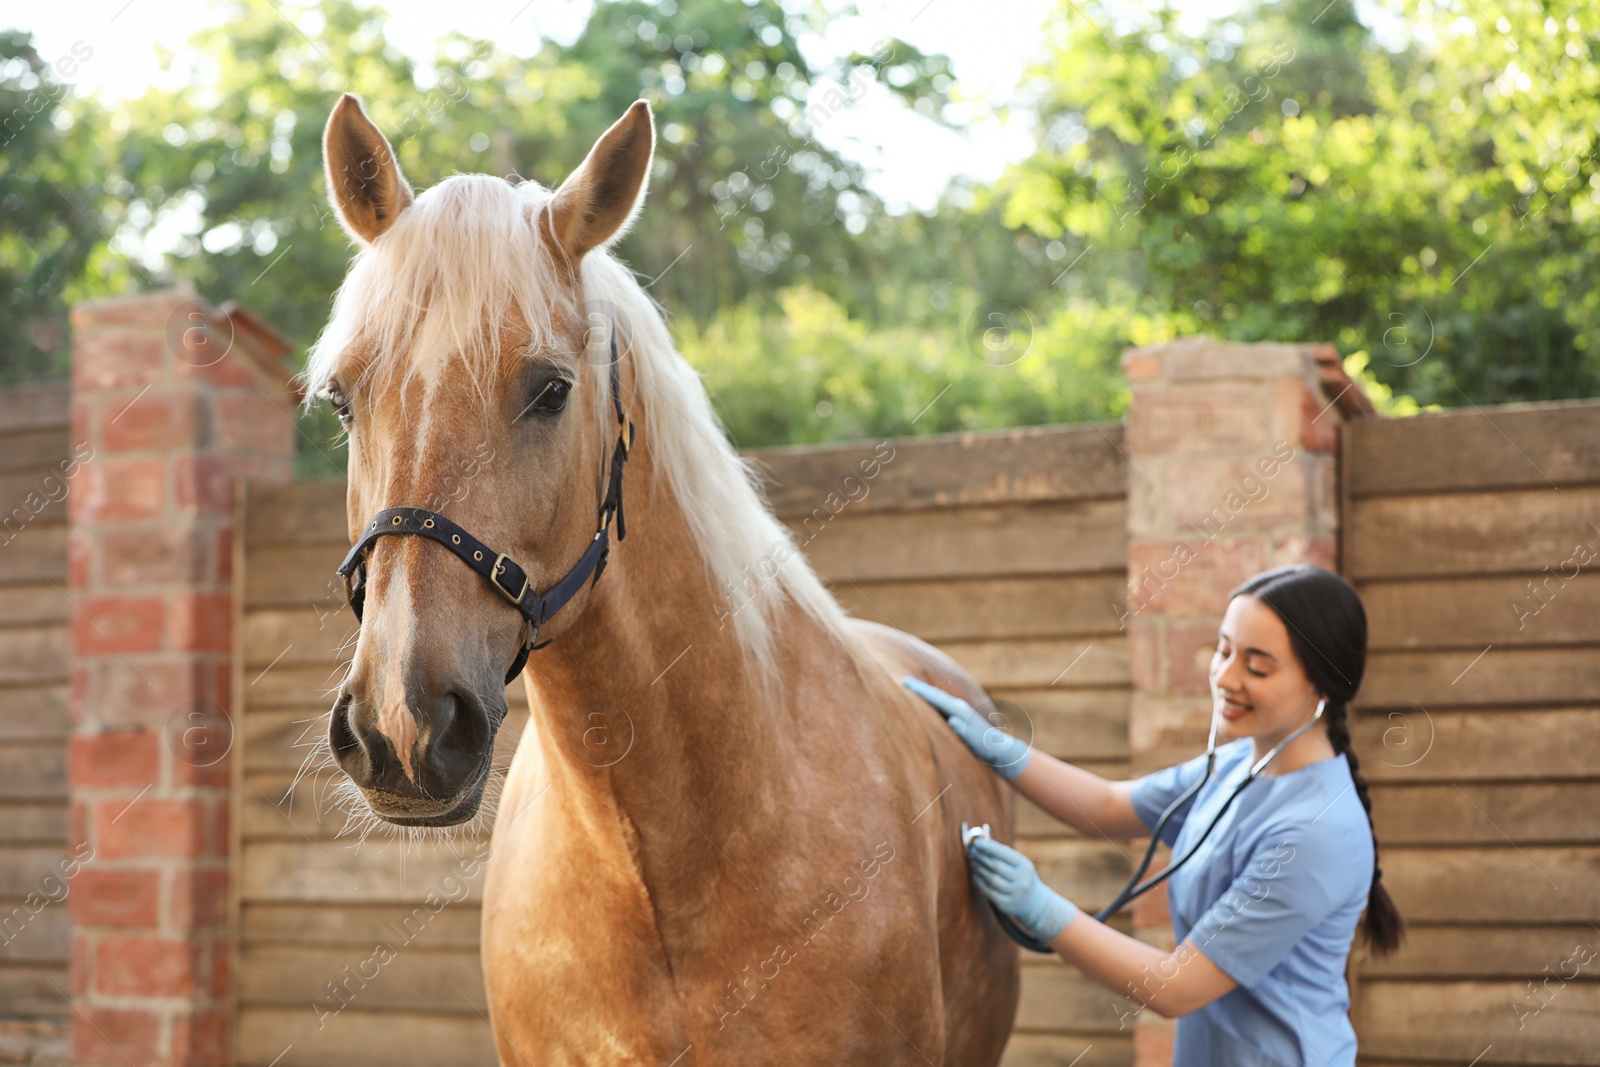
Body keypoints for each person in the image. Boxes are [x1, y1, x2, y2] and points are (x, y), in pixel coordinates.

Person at [902, 564, 1404, 1066]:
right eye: (1224, 650)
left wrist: (1040, 909)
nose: (1226, 677)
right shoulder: (1237, 764)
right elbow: (1109, 806)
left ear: (1324, 687)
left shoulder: (1316, 834)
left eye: (1257, 667)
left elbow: (1176, 989)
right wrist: (1001, 750)